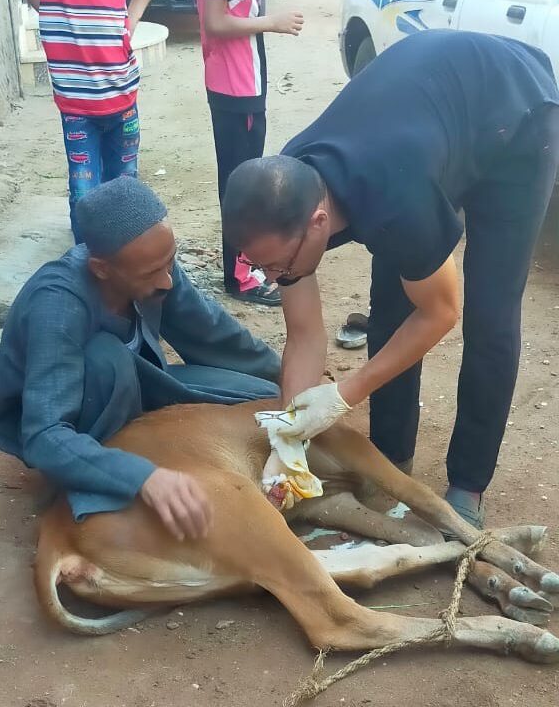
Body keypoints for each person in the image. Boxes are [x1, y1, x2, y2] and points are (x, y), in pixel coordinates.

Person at [221, 29, 559, 528]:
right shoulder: (285, 192)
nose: (274, 277)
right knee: (389, 309)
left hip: (517, 120)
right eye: (261, 266)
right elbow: (306, 332)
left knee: (490, 316)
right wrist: (290, 436)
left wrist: (342, 395)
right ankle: (389, 455)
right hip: (424, 126)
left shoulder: (396, 203)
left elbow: (441, 311)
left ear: (318, 222)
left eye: (278, 268)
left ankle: (468, 482)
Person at [0, 178, 280, 540]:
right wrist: (143, 476)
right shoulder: (58, 303)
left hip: (139, 385)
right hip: (84, 417)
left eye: (169, 263)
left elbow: (210, 329)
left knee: (264, 396)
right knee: (106, 357)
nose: (167, 281)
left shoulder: (153, 265)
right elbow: (44, 434)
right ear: (101, 268)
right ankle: (97, 471)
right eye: (152, 273)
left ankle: (140, 446)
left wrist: (286, 375)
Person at [0, 0, 156, 244]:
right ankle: (87, 263)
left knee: (125, 185)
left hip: (123, 97)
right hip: (76, 107)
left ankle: (124, 256)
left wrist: (130, 21)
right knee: (84, 193)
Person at [196, 0, 304, 306]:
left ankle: (240, 268)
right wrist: (272, 22)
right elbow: (215, 20)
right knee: (241, 183)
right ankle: (240, 277)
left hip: (235, 83)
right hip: (236, 86)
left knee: (239, 177)